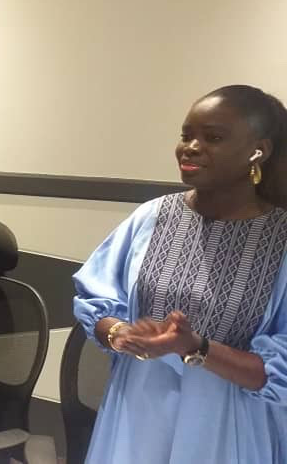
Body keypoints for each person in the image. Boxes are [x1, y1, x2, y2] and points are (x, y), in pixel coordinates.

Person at [72, 85, 287, 464]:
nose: (191, 147)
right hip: (136, 414)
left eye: (213, 138)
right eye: (186, 135)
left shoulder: (280, 239)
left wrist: (195, 348)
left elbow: (279, 369)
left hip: (231, 429)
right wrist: (121, 334)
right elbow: (95, 300)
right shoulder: (152, 217)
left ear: (259, 150)